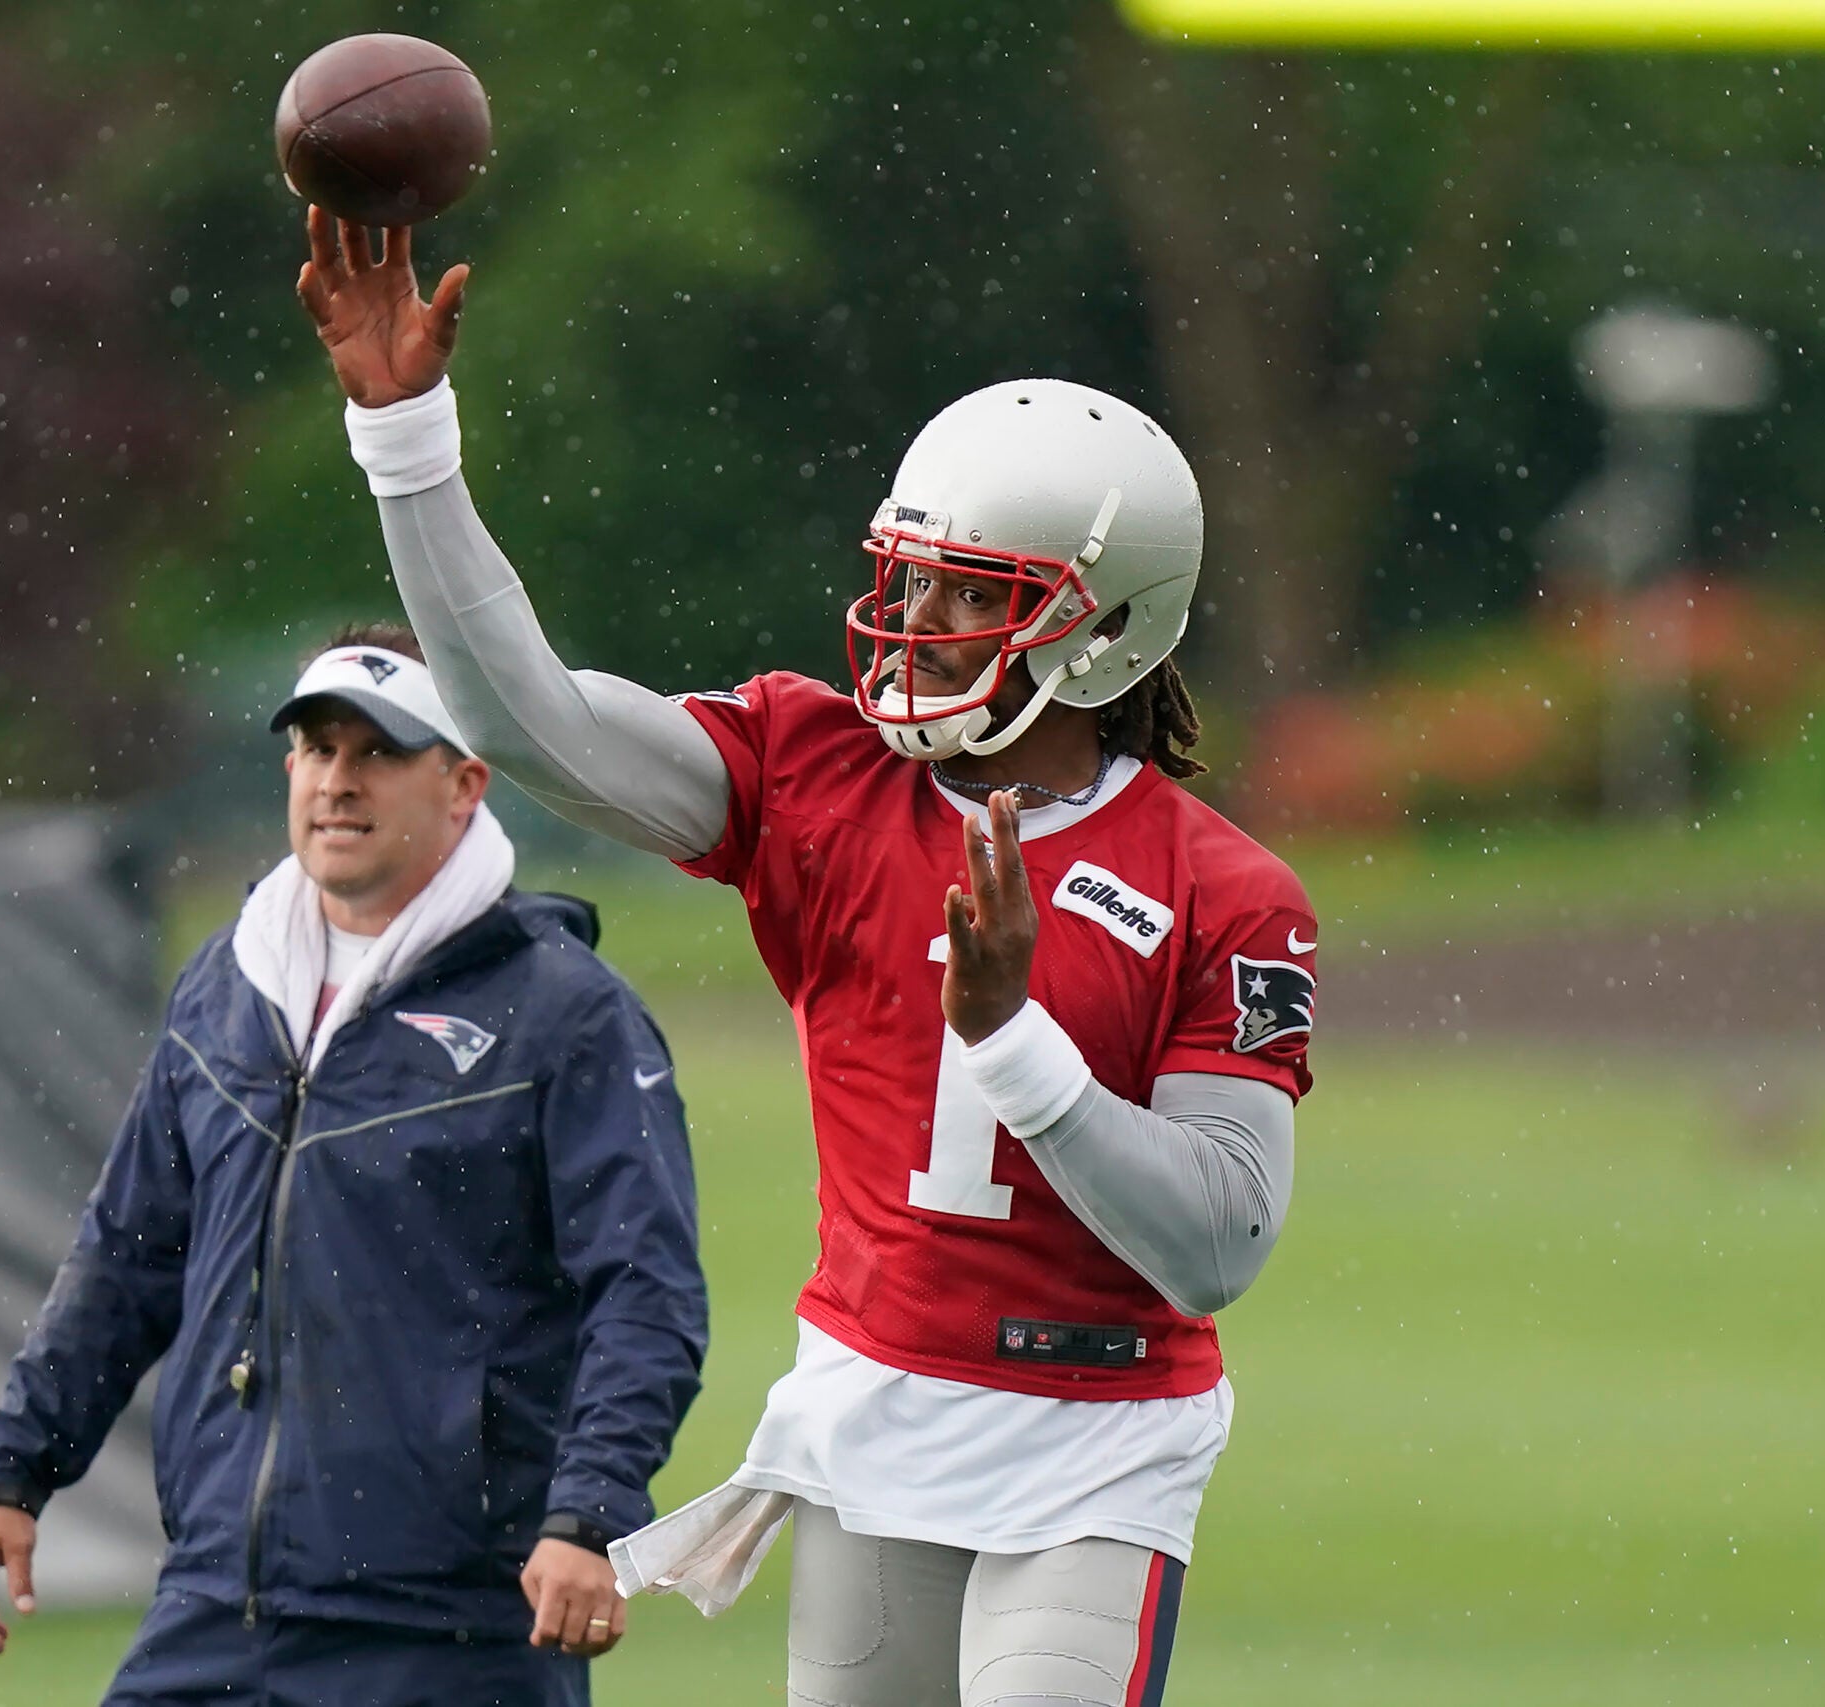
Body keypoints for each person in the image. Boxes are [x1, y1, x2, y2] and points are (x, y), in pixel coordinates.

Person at [296, 211, 1317, 1707]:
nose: (916, 621)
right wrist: (406, 437)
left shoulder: (1223, 886)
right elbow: (527, 721)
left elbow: (1217, 1241)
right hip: (876, 1408)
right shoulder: (819, 772)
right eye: (912, 578)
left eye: (973, 592)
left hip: (1097, 1439)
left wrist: (1014, 1039)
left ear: (1099, 633)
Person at [0, 624, 708, 1707]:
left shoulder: (565, 1014)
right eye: (316, 749)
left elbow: (646, 1295)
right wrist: (12, 1470)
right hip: (222, 1598)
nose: (338, 783)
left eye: (379, 752)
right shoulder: (225, 984)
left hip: (457, 1620)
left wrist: (588, 1517)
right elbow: (126, 1259)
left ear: (464, 785)